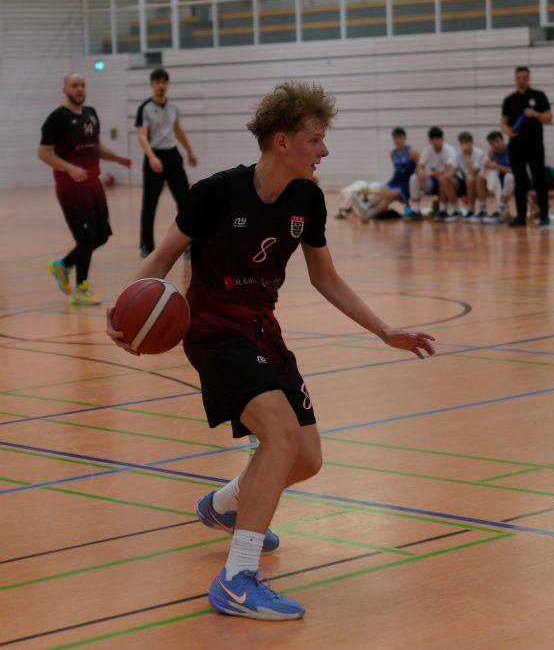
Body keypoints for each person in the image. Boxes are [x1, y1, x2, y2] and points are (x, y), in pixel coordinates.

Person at [107, 81, 436, 620]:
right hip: (212, 329)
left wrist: (384, 330)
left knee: (306, 458)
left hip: (263, 330)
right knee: (279, 434)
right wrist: (122, 308)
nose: (324, 150)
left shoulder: (308, 199)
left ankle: (225, 504)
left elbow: (325, 277)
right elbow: (163, 257)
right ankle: (238, 578)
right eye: (316, 139)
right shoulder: (215, 193)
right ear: (282, 142)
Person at [38, 73, 131, 305]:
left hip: (93, 183)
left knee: (101, 236)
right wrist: (70, 168)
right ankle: (81, 288)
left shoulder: (91, 113)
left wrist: (116, 158)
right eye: (74, 85)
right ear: (65, 89)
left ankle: (64, 265)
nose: (79, 89)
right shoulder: (57, 118)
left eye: (82, 85)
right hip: (72, 187)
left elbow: (95, 147)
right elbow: (44, 153)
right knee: (87, 237)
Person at [136, 68, 197, 257]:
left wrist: (189, 150)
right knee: (150, 203)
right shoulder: (145, 108)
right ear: (152, 84)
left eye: (164, 82)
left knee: (185, 200)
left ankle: (188, 244)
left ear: (167, 84)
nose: (161, 85)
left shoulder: (173, 107)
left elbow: (177, 129)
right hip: (154, 157)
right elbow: (142, 135)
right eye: (157, 82)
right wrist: (152, 157)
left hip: (172, 157)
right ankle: (146, 245)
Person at [501, 66, 553, 227]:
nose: (521, 80)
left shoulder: (539, 96)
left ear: (529, 79)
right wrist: (508, 132)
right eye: (518, 78)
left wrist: (536, 114)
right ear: (515, 79)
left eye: (524, 78)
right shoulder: (509, 100)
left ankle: (544, 215)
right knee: (520, 182)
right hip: (516, 148)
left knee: (539, 180)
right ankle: (521, 217)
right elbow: (503, 123)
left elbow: (549, 118)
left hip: (535, 146)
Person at [409, 126, 457, 222]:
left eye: (437, 139)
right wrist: (421, 172)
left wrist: (430, 174)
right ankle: (416, 210)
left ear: (442, 139)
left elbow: (449, 169)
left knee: (443, 178)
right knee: (414, 178)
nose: (435, 142)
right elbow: (419, 166)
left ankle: (448, 209)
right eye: (432, 139)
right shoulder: (427, 150)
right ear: (430, 140)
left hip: (451, 180)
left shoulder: (449, 150)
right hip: (434, 181)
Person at [456, 131, 488, 220]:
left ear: (471, 143)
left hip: (482, 180)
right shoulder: (458, 156)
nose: (464, 145)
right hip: (465, 181)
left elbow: (473, 171)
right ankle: (470, 210)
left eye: (466, 142)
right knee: (463, 180)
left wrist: (466, 156)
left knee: (472, 179)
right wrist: (460, 193)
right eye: (462, 143)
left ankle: (482, 209)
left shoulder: (479, 153)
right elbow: (455, 171)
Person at [485, 130, 515, 222]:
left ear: (503, 140)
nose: (495, 145)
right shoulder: (492, 152)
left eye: (496, 141)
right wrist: (489, 158)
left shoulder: (511, 149)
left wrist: (496, 166)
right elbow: (487, 165)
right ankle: (500, 209)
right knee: (493, 174)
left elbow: (514, 171)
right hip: (502, 180)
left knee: (509, 177)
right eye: (491, 143)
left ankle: (501, 206)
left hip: (518, 178)